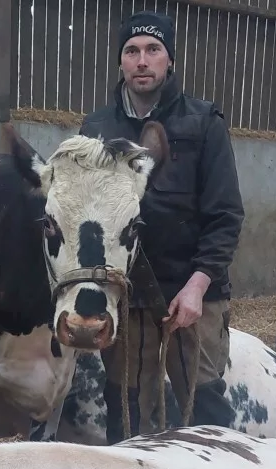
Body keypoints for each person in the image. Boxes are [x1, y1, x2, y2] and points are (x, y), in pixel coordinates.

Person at [78, 10, 245, 443]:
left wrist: (198, 285)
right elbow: (86, 213)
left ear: (169, 60)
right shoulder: (96, 129)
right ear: (121, 63)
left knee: (202, 400)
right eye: (132, 51)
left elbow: (225, 214)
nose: (142, 60)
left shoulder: (204, 122)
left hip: (191, 290)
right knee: (126, 404)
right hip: (126, 291)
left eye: (153, 50)